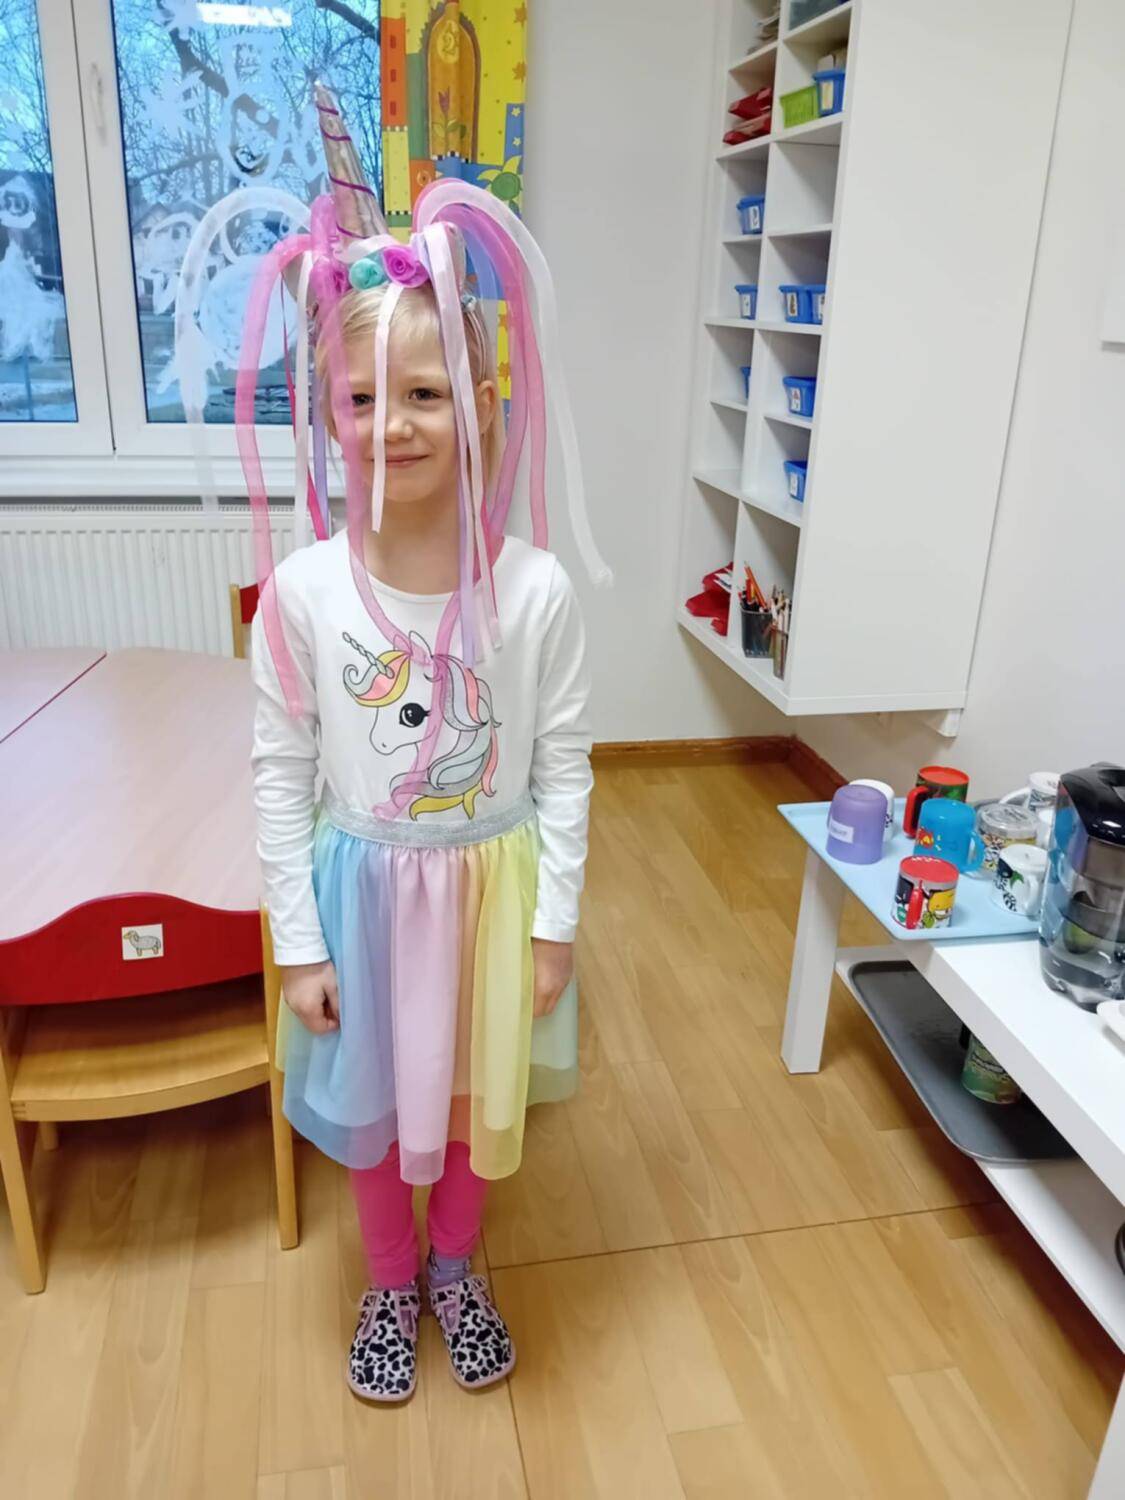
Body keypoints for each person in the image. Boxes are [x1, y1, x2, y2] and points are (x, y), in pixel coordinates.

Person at [222, 88, 610, 1403]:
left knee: (467, 1102)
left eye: (427, 393)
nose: (394, 423)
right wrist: (298, 941)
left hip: (492, 898)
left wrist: (553, 925)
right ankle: (390, 1280)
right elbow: (280, 774)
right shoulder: (302, 595)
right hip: (363, 900)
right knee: (380, 1105)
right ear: (326, 411)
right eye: (363, 396)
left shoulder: (536, 592)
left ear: (481, 403)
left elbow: (564, 767)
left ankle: (456, 1265)